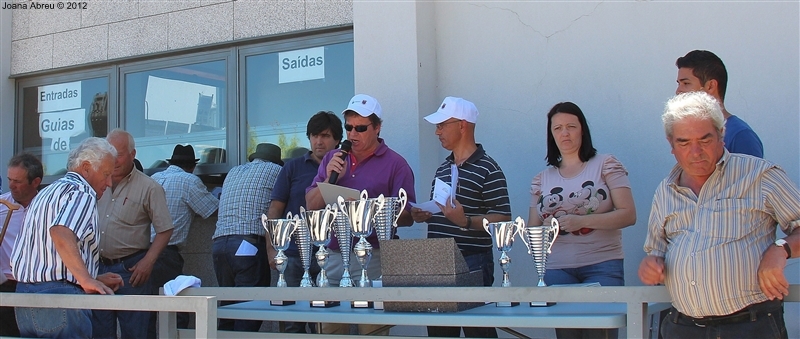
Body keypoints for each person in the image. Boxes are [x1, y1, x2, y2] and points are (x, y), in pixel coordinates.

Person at [639, 91, 797, 339]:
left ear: (721, 136)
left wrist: (781, 249)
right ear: (671, 145)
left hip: (749, 326)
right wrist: (652, 263)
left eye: (704, 140)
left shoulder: (758, 176)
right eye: (684, 142)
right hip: (684, 327)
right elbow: (656, 250)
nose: (695, 152)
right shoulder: (665, 191)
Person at [305, 94, 416, 335]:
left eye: (361, 128)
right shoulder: (333, 159)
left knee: (372, 331)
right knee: (330, 331)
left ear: (377, 127)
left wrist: (374, 209)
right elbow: (311, 205)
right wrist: (329, 178)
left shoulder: (396, 164)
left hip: (374, 257)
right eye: (349, 128)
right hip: (332, 256)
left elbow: (407, 216)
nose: (352, 134)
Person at [528, 102, 636, 339]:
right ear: (551, 135)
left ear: (582, 130)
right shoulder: (541, 179)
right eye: (557, 128)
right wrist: (544, 229)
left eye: (570, 126)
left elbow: (629, 214)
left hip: (602, 265)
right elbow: (533, 230)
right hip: (557, 269)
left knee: (600, 334)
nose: (564, 133)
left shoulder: (606, 164)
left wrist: (581, 222)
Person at [411, 97, 511, 338]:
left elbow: (503, 219)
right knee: (440, 333)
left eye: (442, 125)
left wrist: (466, 222)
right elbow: (442, 209)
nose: (437, 132)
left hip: (472, 261)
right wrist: (424, 215)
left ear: (463, 125)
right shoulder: (443, 168)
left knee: (478, 331)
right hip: (437, 263)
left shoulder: (489, 168)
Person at [11, 138, 123, 338]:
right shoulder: (82, 191)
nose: (109, 182)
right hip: (60, 300)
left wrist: (90, 277)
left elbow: (45, 255)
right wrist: (86, 279)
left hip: (24, 300)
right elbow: (61, 232)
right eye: (106, 174)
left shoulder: (46, 193)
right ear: (86, 168)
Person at [93, 129, 174, 339]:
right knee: (100, 331)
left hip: (131, 269)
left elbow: (165, 229)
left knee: (135, 331)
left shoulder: (149, 187)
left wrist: (148, 261)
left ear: (133, 154)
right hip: (98, 268)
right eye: (109, 154)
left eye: (119, 154)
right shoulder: (96, 183)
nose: (114, 160)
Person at [267, 111, 343, 334]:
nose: (318, 141)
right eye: (314, 135)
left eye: (325, 136)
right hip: (292, 254)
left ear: (337, 139)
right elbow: (275, 209)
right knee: (292, 321)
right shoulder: (292, 167)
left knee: (326, 321)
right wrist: (272, 249)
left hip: (332, 254)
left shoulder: (346, 167)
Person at [148, 144, 219, 334]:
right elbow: (212, 209)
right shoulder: (188, 180)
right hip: (166, 253)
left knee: (146, 310)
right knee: (177, 308)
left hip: (142, 251)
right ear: (192, 166)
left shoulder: (154, 178)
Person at [213, 142, 283, 332]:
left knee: (227, 311)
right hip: (248, 244)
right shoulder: (277, 171)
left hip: (219, 245)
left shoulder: (234, 171)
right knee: (249, 311)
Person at [675, 49, 763, 157]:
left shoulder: (740, 136)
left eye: (686, 83)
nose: (678, 91)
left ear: (710, 86)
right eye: (679, 83)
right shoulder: (687, 132)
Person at [0, 153, 43, 337]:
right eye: (10, 179)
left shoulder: (48, 206)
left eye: (17, 181)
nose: (11, 185)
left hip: (38, 284)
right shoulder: (1, 206)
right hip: (6, 284)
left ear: (35, 182)